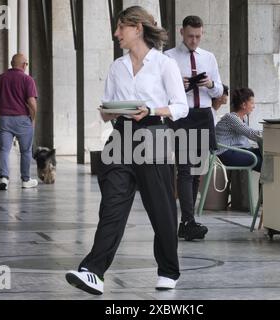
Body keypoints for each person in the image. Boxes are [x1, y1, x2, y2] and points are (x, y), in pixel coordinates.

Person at [65, 6, 188, 295]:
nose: (116, 33)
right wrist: (107, 113)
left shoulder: (164, 64)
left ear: (138, 28)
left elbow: (181, 108)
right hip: (120, 138)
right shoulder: (117, 67)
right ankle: (93, 271)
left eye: (121, 27)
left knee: (161, 210)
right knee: (112, 207)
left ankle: (169, 270)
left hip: (153, 135)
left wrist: (151, 109)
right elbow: (107, 104)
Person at [165, 15, 224, 241]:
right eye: (190, 36)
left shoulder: (209, 58)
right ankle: (188, 220)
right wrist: (180, 85)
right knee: (185, 169)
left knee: (197, 170)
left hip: (203, 115)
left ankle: (187, 221)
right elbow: (161, 91)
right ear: (182, 33)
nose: (194, 40)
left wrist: (209, 84)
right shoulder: (168, 58)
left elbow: (219, 90)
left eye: (198, 36)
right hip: (182, 116)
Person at [0, 54, 38, 191]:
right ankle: (25, 179)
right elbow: (32, 103)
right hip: (22, 119)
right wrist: (32, 119)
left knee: (4, 149)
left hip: (4, 119)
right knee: (25, 151)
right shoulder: (27, 79)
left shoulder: (1, 78)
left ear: (12, 63)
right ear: (24, 65)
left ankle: (4, 179)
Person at [215, 88, 262, 172]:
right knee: (259, 161)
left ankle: (264, 184)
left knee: (267, 156)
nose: (254, 106)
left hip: (237, 150)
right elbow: (250, 133)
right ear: (243, 105)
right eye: (252, 103)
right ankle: (267, 184)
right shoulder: (231, 118)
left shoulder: (244, 118)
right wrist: (270, 134)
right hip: (224, 153)